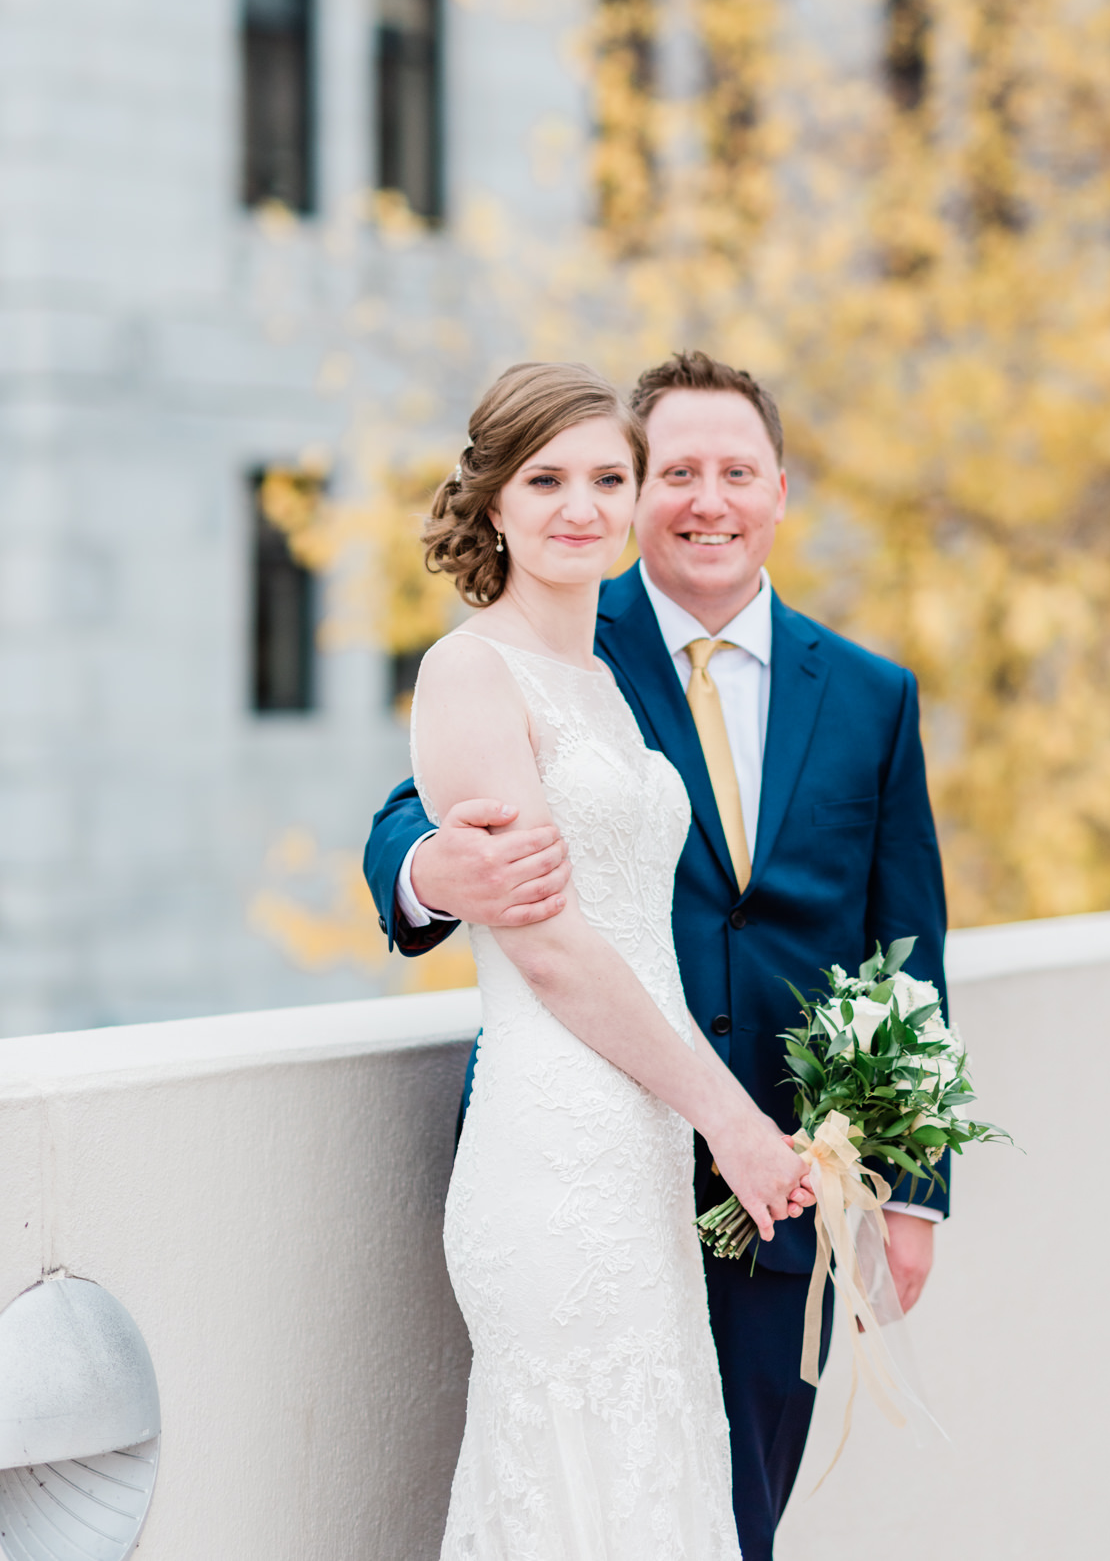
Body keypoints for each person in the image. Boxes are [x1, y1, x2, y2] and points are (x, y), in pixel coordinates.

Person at [365, 351, 951, 1561]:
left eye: (733, 470)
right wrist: (430, 870)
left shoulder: (870, 695)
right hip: (596, 1150)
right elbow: (416, 815)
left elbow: (908, 952)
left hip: (782, 1181)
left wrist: (911, 1184)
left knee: (709, 1512)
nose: (704, 499)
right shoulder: (558, 628)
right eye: (676, 469)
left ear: (779, 490)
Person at [406, 360, 813, 1561]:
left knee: (653, 1481)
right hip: (554, 1153)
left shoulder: (599, 684)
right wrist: (730, 1121)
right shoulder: (469, 672)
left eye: (606, 478)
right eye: (545, 479)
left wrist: (692, 1125)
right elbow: (558, 956)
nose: (579, 506)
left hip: (640, 1151)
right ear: (493, 504)